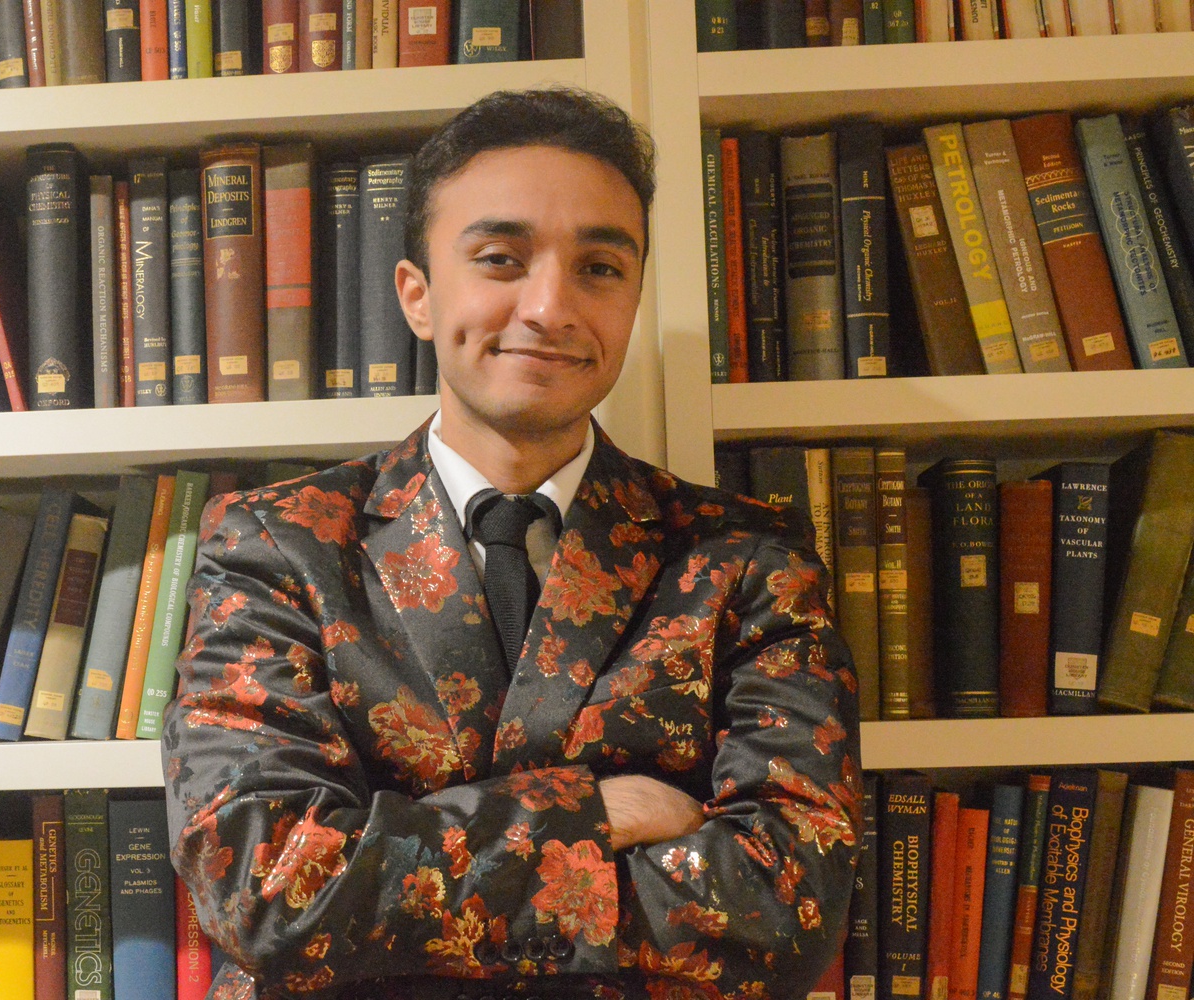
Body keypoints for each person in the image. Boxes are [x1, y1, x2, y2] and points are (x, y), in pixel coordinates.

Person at [163, 87, 862, 1000]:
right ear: (417, 295)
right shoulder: (278, 544)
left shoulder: (749, 558)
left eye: (600, 268)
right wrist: (594, 813)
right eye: (501, 259)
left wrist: (393, 869)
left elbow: (786, 911)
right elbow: (263, 886)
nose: (549, 306)